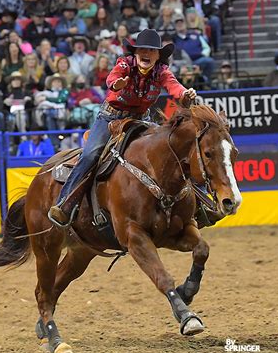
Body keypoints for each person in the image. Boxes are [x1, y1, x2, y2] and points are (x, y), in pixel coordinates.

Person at [48, 28, 197, 226]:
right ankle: (64, 203)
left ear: (158, 55)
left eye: (152, 50)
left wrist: (185, 94)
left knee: (169, 148)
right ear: (135, 52)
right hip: (111, 118)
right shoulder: (124, 64)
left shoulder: (162, 71)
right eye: (143, 49)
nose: (147, 53)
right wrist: (116, 84)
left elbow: (174, 86)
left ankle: (198, 205)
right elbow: (112, 78)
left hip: (140, 120)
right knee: (91, 155)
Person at [35, 74, 70, 150]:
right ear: (51, 83)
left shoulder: (64, 91)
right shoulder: (47, 92)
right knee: (49, 117)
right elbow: (39, 101)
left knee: (51, 114)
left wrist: (46, 99)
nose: (57, 83)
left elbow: (61, 99)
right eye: (55, 82)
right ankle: (55, 144)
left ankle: (58, 142)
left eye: (59, 82)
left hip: (63, 114)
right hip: (50, 114)